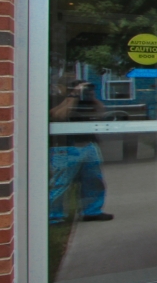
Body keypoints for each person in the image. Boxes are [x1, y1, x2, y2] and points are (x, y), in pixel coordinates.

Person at [48, 80, 114, 224]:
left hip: (88, 146)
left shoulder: (89, 102)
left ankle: (92, 211)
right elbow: (59, 116)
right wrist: (74, 96)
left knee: (94, 181)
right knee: (61, 183)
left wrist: (91, 97)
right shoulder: (59, 99)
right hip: (66, 148)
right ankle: (53, 215)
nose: (87, 91)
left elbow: (101, 113)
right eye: (84, 88)